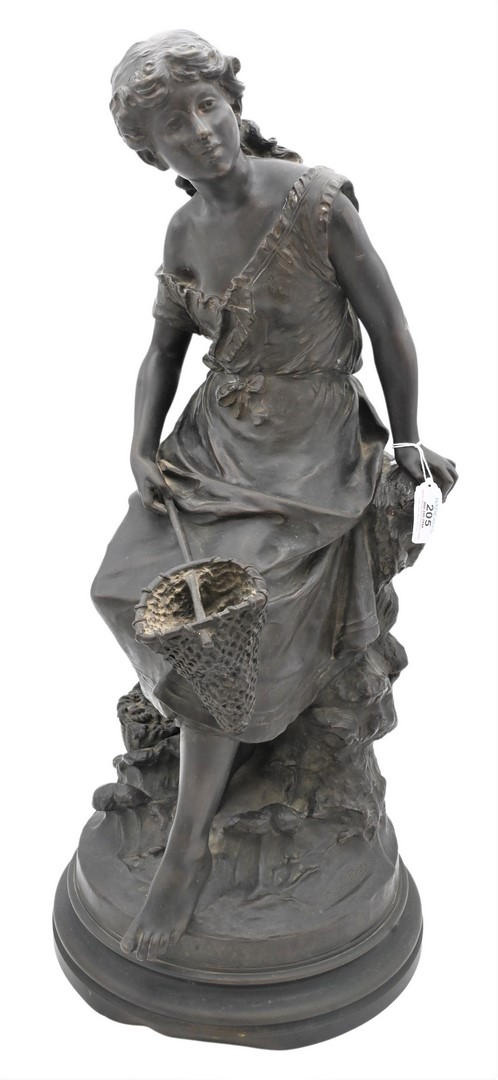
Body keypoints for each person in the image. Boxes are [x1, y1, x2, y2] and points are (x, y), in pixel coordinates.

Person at [92, 29, 457, 962]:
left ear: (233, 102)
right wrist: (140, 445)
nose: (201, 131)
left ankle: (185, 849)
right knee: (122, 583)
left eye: (207, 105)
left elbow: (392, 330)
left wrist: (407, 443)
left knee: (220, 617)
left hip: (309, 452)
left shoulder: (315, 200)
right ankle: (205, 732)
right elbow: (163, 350)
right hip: (216, 441)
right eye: (174, 126)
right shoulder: (184, 231)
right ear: (153, 154)